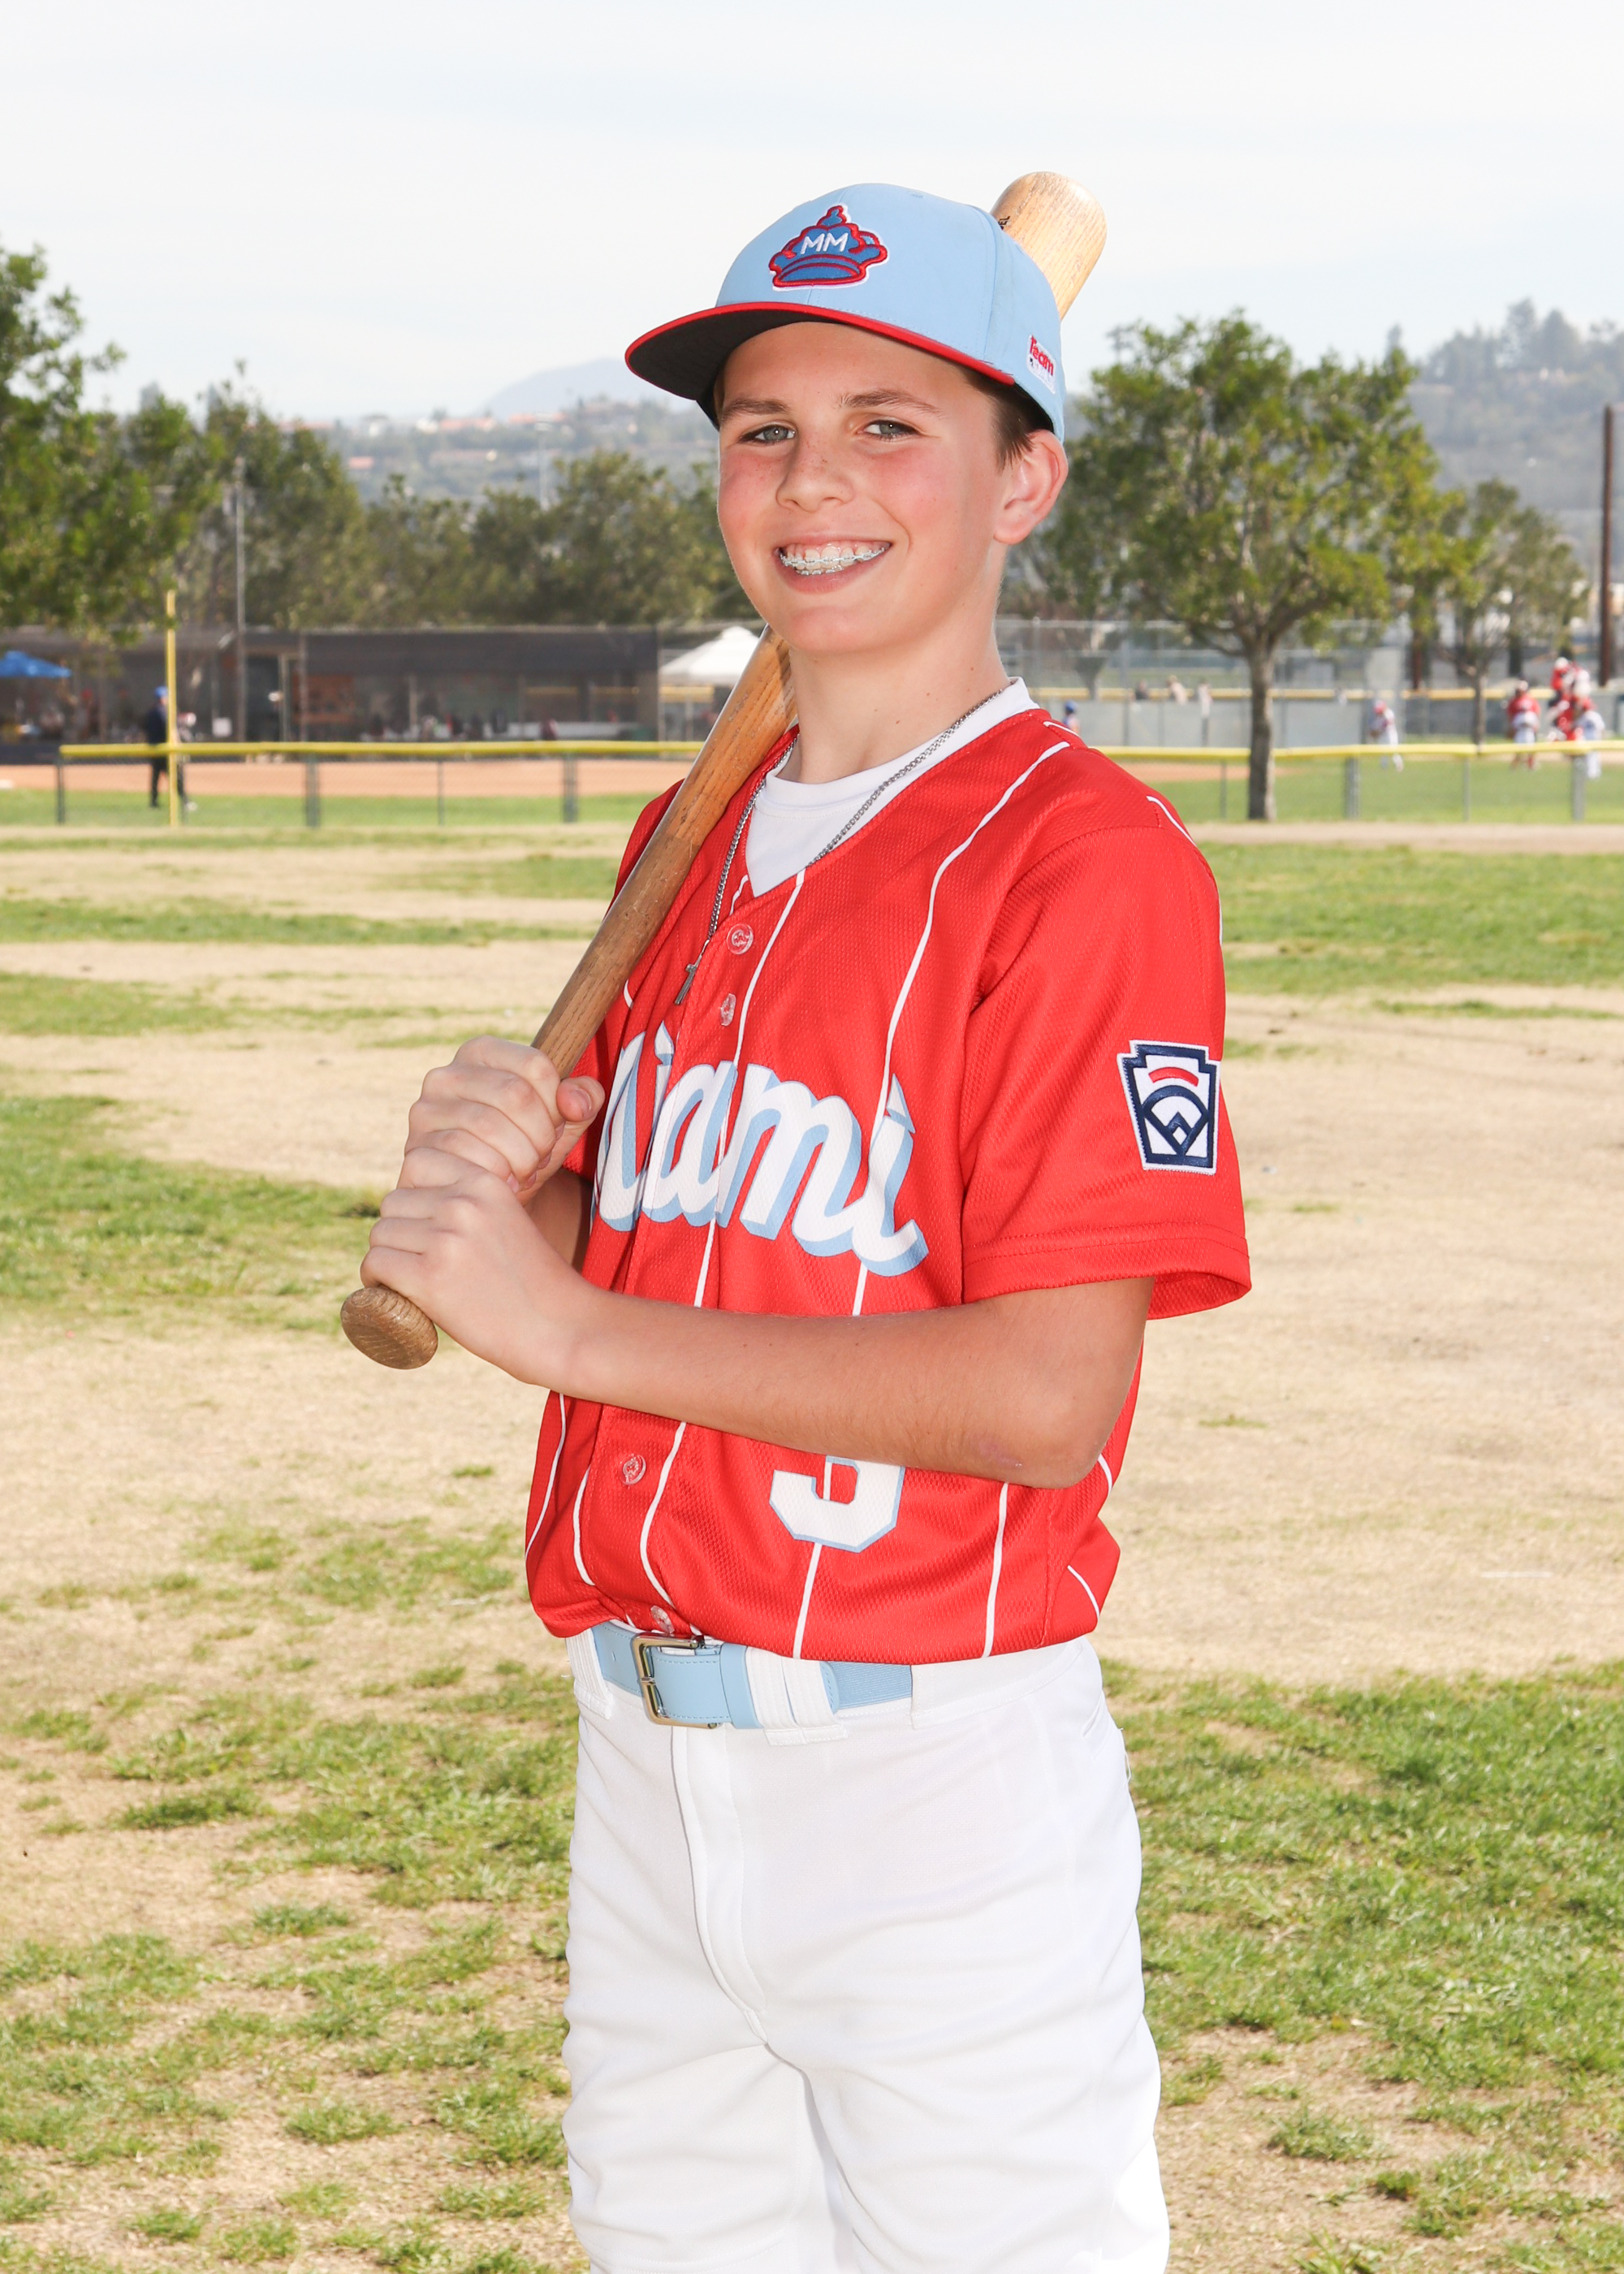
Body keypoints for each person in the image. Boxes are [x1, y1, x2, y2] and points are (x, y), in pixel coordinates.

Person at [359, 181, 1250, 2274]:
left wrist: (559, 1326)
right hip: (641, 1753)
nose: (811, 480)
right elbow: (654, 1236)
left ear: (1022, 481)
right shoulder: (689, 835)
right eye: (762, 428)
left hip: (930, 1776)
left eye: (888, 425)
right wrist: (518, 1172)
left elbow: (1043, 1392)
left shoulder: (1086, 863)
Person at [142, 686, 190, 809]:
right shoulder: (164, 712)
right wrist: (178, 745)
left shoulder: (151, 712)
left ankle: (153, 802)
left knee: (156, 777)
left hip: (154, 750)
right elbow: (170, 730)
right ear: (164, 698)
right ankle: (185, 801)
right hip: (166, 750)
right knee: (176, 775)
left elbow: (145, 729)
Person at [1367, 692, 1403, 769]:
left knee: (1393, 750)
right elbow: (1374, 729)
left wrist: (1377, 732)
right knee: (1383, 752)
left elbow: (1386, 725)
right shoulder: (1378, 717)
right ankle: (1384, 767)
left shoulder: (1389, 713)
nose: (1379, 712)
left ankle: (1399, 765)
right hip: (1382, 736)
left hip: (1391, 735)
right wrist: (1374, 732)